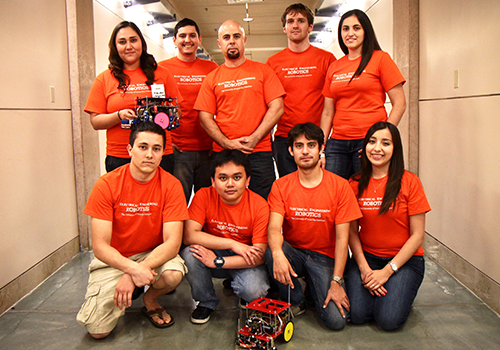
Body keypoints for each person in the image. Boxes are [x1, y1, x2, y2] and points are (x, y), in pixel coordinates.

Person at [76, 122, 189, 339]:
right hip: (116, 259)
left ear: (163, 153)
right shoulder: (106, 184)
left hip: (152, 255)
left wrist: (137, 271)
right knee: (98, 332)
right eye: (143, 147)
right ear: (130, 150)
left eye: (156, 149)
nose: (149, 154)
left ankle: (149, 298)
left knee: (173, 275)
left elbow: (172, 243)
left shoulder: (172, 185)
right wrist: (131, 269)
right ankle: (131, 287)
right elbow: (99, 247)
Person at [265, 122, 362, 330]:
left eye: (311, 145)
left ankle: (314, 286)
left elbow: (343, 239)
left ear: (321, 148)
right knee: (272, 250)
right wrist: (277, 254)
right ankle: (296, 300)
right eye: (299, 146)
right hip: (296, 254)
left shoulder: (340, 186)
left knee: (336, 321)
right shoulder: (281, 185)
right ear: (291, 151)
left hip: (325, 258)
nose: (305, 151)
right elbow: (273, 228)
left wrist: (336, 281)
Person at [345, 121, 431, 331]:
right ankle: (384, 294)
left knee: (388, 321)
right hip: (367, 257)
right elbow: (351, 232)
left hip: (404, 262)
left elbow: (418, 235)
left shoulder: (410, 181)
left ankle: (397, 294)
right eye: (372, 142)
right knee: (357, 315)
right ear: (364, 146)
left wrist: (387, 271)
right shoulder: (354, 183)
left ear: (395, 149)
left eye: (386, 143)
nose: (377, 149)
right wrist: (365, 269)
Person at [194, 20, 285, 200]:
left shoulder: (263, 71)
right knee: (226, 205)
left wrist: (254, 139)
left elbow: (277, 106)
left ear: (244, 39)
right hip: (224, 154)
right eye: (226, 37)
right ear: (219, 43)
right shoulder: (212, 79)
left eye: (236, 36)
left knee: (264, 203)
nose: (232, 41)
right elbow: (205, 117)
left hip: (259, 152)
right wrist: (227, 143)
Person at [181, 150, 270, 324]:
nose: (230, 184)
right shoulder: (203, 196)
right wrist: (231, 243)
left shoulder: (260, 204)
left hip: (245, 257)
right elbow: (189, 235)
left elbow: (260, 255)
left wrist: (219, 262)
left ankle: (241, 288)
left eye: (237, 177)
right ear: (213, 182)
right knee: (190, 254)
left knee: (254, 291)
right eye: (223, 178)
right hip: (218, 251)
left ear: (248, 180)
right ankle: (206, 301)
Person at [85, 21, 183, 173]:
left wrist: (162, 115)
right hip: (120, 155)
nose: (128, 46)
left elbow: (178, 112)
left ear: (142, 44)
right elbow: (95, 122)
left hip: (158, 155)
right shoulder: (104, 79)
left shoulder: (162, 74)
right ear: (115, 47)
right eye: (122, 42)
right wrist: (119, 115)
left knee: (157, 197)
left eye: (133, 40)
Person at [320, 9, 406, 179]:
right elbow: (328, 111)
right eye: (345, 29)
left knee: (365, 196)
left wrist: (381, 139)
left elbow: (400, 104)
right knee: (334, 196)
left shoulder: (380, 59)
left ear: (366, 31)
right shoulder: (335, 67)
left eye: (356, 28)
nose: (350, 33)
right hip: (337, 144)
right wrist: (321, 146)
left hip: (368, 141)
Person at [266, 3, 336, 177]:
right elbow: (267, 106)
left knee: (318, 192)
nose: (295, 25)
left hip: (316, 138)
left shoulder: (327, 59)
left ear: (310, 26)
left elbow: (334, 104)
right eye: (290, 21)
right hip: (285, 139)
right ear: (284, 28)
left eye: (301, 21)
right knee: (289, 191)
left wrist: (323, 144)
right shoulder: (272, 63)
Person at [159, 18, 219, 202]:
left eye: (192, 35)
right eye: (182, 36)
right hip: (177, 151)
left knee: (207, 205)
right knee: (176, 204)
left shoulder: (212, 68)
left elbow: (222, 106)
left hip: (207, 150)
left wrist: (216, 141)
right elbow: (157, 109)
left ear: (199, 39)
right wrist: (165, 142)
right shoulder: (162, 69)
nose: (188, 40)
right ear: (174, 40)